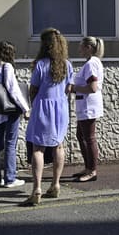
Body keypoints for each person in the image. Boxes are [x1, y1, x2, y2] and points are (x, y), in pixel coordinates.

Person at [20, 28, 73, 206]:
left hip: (43, 106)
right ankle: (56, 184)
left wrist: (33, 106)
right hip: (61, 107)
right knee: (58, 145)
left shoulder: (41, 65)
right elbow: (68, 89)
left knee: (38, 148)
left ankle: (36, 189)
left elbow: (34, 88)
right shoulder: (67, 64)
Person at [0, 41, 29, 188]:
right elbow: (13, 90)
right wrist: (25, 108)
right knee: (10, 143)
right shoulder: (7, 67)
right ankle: (10, 178)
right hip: (10, 111)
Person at [70, 36, 104, 182]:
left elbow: (92, 87)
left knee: (89, 138)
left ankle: (92, 171)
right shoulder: (92, 63)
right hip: (85, 105)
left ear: (88, 48)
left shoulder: (91, 64)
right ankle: (88, 167)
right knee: (81, 136)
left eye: (81, 47)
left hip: (88, 105)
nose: (79, 50)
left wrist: (73, 88)